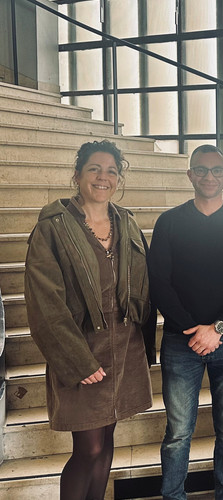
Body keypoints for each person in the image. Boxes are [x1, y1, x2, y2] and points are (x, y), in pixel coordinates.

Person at [24, 140, 156, 500]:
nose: (103, 177)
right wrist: (77, 360)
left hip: (124, 346)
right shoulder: (52, 227)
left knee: (108, 440)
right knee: (89, 447)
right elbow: (44, 304)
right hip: (82, 348)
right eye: (94, 169)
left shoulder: (126, 222)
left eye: (112, 171)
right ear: (78, 174)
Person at [148, 144, 223, 500]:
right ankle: (173, 496)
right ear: (190, 175)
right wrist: (192, 329)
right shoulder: (169, 222)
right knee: (177, 433)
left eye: (216, 170)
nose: (208, 176)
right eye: (201, 169)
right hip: (180, 342)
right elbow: (159, 282)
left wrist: (217, 329)